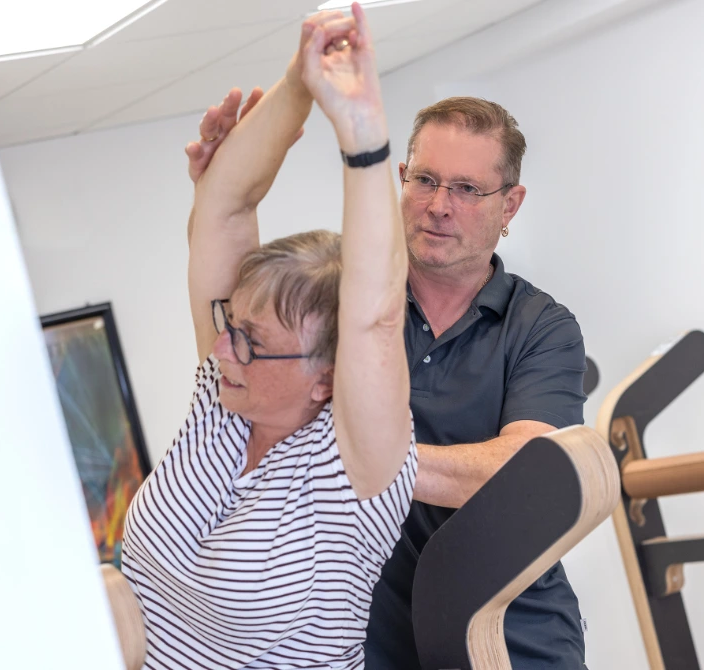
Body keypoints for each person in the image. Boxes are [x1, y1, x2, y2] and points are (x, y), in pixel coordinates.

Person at [187, 44, 587, 670]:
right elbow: (234, 279)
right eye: (424, 179)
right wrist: (220, 182)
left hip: (513, 637)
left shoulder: (542, 328)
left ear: (509, 205)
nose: (438, 205)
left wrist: (351, 460)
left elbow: (526, 473)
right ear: (402, 177)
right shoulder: (343, 299)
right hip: (371, 637)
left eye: (466, 188)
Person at [122, 6, 417, 669]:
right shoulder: (221, 401)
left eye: (249, 340)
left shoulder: (355, 471)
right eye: (231, 327)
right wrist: (299, 77)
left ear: (328, 375)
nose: (220, 348)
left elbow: (374, 315)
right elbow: (223, 208)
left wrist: (362, 134)